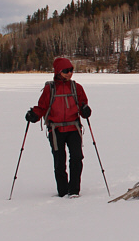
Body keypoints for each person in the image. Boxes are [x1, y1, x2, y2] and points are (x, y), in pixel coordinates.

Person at [25, 57, 92, 197]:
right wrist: (34, 115)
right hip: (56, 130)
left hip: (74, 129)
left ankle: (74, 190)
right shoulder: (50, 89)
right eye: (66, 71)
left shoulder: (76, 87)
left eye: (71, 70)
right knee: (59, 161)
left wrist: (86, 110)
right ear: (58, 72)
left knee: (77, 158)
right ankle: (62, 191)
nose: (70, 73)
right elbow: (42, 107)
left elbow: (83, 105)